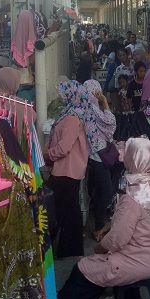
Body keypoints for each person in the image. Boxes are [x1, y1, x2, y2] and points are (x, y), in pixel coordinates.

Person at [52, 138, 150, 299]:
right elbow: (144, 219)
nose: (122, 155)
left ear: (135, 160)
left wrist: (99, 249)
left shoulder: (134, 196)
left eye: (127, 152)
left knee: (83, 269)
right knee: (109, 262)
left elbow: (117, 240)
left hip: (142, 259)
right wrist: (110, 227)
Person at [47, 81, 90, 258]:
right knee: (67, 210)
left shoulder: (72, 119)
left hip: (67, 170)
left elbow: (64, 147)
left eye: (64, 94)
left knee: (66, 211)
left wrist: (47, 154)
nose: (61, 97)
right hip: (67, 169)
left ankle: (69, 249)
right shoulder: (71, 115)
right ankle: (68, 248)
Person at [83, 79, 119, 240]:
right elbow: (111, 123)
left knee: (99, 190)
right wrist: (104, 102)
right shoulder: (93, 109)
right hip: (98, 157)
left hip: (92, 156)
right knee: (106, 192)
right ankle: (99, 226)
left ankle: (99, 221)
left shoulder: (85, 108)